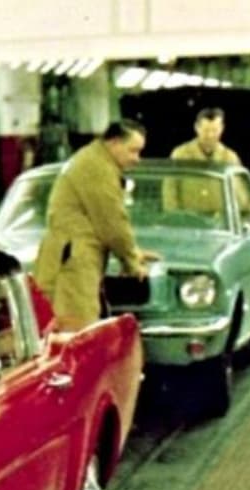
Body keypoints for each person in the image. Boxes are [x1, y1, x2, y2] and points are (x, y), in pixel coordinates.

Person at [33, 120, 157, 332]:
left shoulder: (93, 159)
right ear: (114, 143)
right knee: (77, 327)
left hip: (70, 253)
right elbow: (112, 221)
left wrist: (133, 252)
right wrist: (131, 261)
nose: (137, 159)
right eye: (133, 151)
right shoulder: (97, 167)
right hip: (75, 260)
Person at [169, 107, 242, 165]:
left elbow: (238, 183)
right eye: (206, 130)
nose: (210, 135)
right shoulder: (180, 155)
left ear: (222, 128)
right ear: (196, 127)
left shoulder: (230, 158)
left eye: (214, 130)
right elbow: (170, 183)